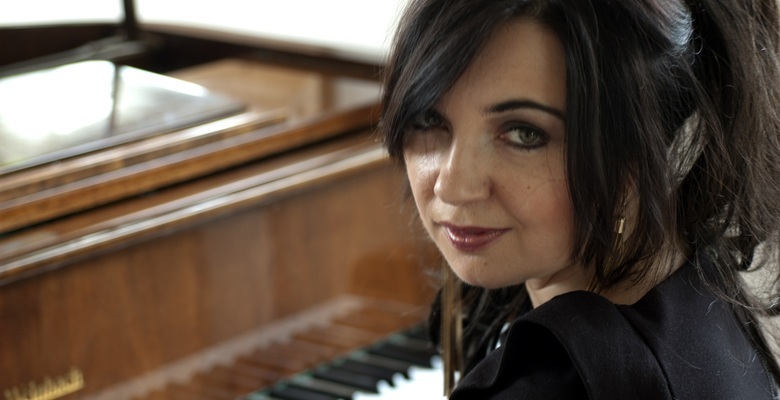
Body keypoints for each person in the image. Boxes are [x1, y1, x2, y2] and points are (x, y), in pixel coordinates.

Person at [380, 0, 780, 398]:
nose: (452, 186)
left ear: (637, 150)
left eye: (524, 134)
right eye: (429, 120)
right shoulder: (705, 296)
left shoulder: (551, 385)